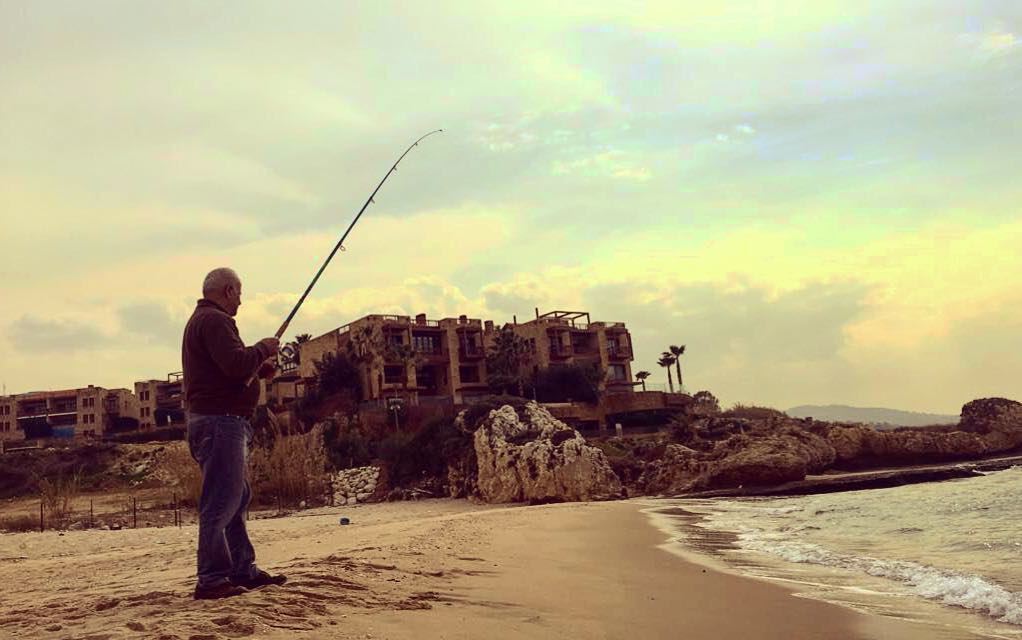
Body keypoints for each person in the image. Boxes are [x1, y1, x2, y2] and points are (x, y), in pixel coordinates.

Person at [182, 267, 286, 600]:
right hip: (220, 423)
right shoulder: (214, 321)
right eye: (239, 293)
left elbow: (230, 371)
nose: (241, 299)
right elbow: (236, 365)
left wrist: (259, 369)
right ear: (227, 290)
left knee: (236, 498)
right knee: (220, 502)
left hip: (218, 422)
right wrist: (263, 349)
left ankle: (242, 569)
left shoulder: (204, 321)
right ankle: (211, 579)